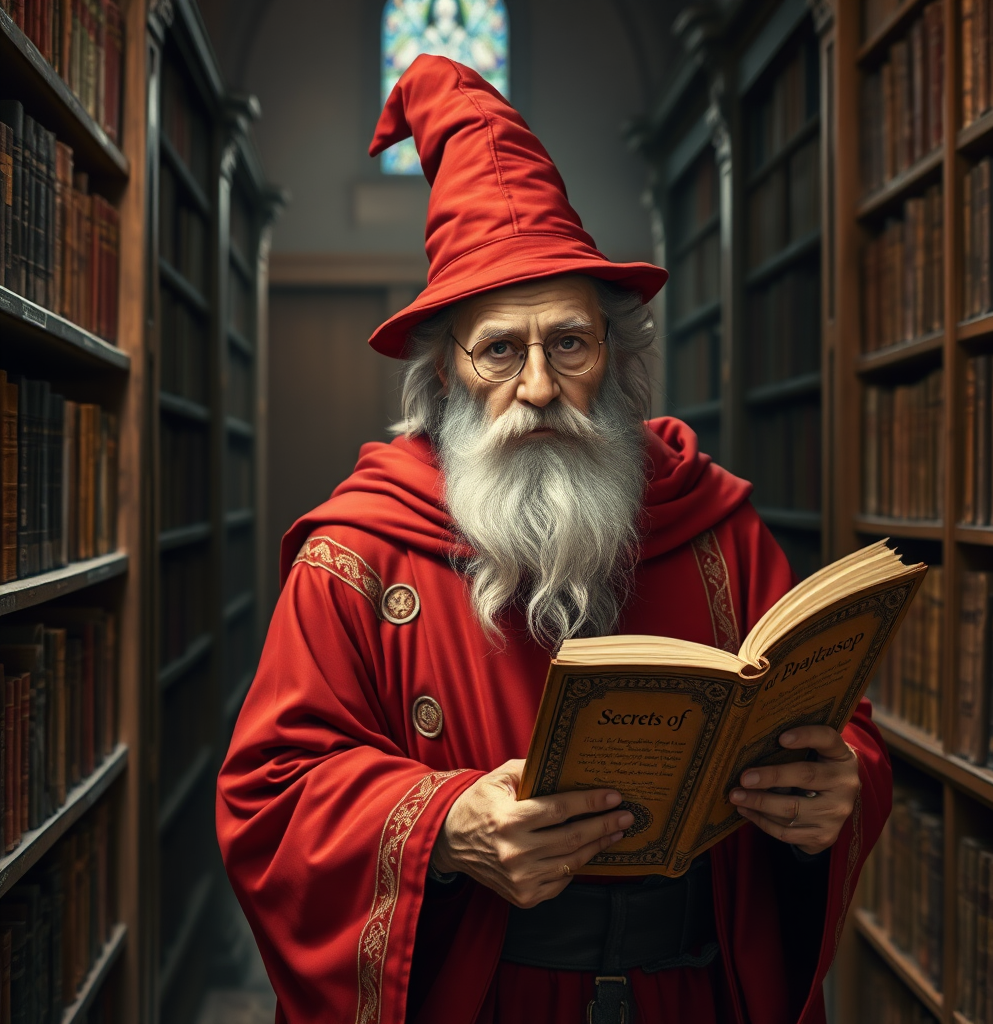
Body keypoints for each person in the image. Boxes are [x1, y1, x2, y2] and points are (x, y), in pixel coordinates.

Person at [216, 55, 891, 1024]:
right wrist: (441, 824)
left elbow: (843, 726)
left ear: (613, 356)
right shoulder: (357, 555)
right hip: (474, 993)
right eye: (500, 349)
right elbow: (269, 796)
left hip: (691, 991)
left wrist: (836, 789)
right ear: (444, 375)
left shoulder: (717, 527)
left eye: (567, 342)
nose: (537, 385)